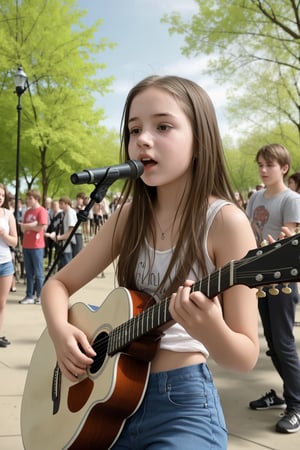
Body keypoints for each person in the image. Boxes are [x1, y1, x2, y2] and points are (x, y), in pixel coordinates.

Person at [41, 75, 259, 449]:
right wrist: (61, 332)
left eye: (163, 126)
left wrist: (210, 328)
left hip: (183, 406)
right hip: (107, 405)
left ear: (200, 141)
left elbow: (244, 356)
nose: (143, 139)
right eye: (134, 129)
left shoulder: (226, 222)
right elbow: (57, 286)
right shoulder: (127, 217)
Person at [246, 143, 300, 433]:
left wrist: (286, 237)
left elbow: (290, 241)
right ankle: (286, 395)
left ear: (284, 168)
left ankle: (297, 404)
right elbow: (248, 234)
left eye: (270, 165)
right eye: (261, 165)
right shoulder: (255, 198)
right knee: (273, 345)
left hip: (282, 282)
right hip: (261, 281)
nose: (264, 170)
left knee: (283, 343)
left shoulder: (291, 199)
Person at [19, 190, 48, 305]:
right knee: (29, 272)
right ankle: (29, 295)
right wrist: (32, 225)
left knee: (39, 272)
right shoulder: (27, 212)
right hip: (26, 245)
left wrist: (27, 226)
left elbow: (40, 227)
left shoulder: (42, 211)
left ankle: (40, 296)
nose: (27, 200)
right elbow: (22, 229)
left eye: (30, 198)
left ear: (36, 198)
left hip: (37, 246)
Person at [0, 183, 18, 347]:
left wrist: (4, 235)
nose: (0, 197)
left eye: (2, 195)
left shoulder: (8, 215)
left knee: (1, 303)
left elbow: (14, 241)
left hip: (5, 263)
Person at [48, 196, 77, 269]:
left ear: (66, 203)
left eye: (61, 204)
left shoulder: (70, 213)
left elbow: (71, 230)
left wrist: (59, 238)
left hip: (68, 244)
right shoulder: (65, 213)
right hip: (65, 243)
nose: (60, 206)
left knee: (66, 266)